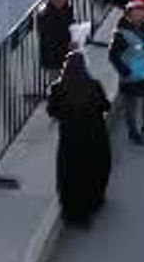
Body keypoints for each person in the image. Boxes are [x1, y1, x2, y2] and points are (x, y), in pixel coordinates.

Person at [47, 51, 112, 227]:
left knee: (70, 174)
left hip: (70, 139)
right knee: (93, 170)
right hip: (94, 137)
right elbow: (106, 105)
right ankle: (92, 202)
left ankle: (72, 212)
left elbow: (51, 110)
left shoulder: (57, 88)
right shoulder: (94, 85)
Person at [108, 1, 144, 145]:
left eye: (142, 13)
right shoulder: (120, 34)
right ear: (128, 15)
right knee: (131, 106)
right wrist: (125, 73)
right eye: (135, 13)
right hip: (131, 76)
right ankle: (133, 133)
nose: (139, 16)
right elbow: (113, 56)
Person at [36, 0, 74, 86]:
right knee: (57, 86)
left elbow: (70, 24)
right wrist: (68, 44)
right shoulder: (45, 15)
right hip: (54, 60)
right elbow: (50, 40)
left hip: (67, 55)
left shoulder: (66, 8)